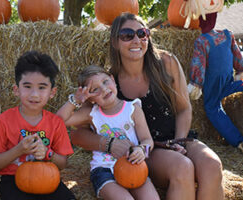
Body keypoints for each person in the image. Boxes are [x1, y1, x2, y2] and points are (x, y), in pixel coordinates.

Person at [70, 13, 224, 200]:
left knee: (212, 165)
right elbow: (78, 134)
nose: (136, 40)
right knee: (182, 167)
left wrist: (178, 141)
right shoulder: (107, 84)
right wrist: (109, 144)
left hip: (176, 139)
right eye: (127, 35)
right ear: (115, 41)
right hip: (142, 150)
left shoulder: (166, 63)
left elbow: (184, 109)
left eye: (142, 33)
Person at [57, 65, 160, 200]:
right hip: (104, 170)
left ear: (113, 79)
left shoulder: (133, 109)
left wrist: (141, 150)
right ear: (90, 99)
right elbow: (59, 121)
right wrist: (76, 100)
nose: (104, 89)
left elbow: (147, 140)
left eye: (105, 82)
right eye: (95, 90)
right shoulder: (92, 114)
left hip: (133, 166)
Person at [0, 51, 76, 200]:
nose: (34, 94)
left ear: (52, 92)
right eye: (27, 86)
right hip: (13, 179)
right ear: (16, 90)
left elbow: (62, 163)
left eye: (42, 87)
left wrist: (47, 153)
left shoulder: (56, 123)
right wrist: (18, 150)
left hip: (48, 177)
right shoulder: (3, 121)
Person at [188, 12, 243, 154]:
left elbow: (199, 65)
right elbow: (239, 60)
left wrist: (195, 84)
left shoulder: (201, 41)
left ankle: (239, 141)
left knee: (212, 108)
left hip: (213, 84)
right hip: (228, 80)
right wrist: (240, 70)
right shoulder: (227, 35)